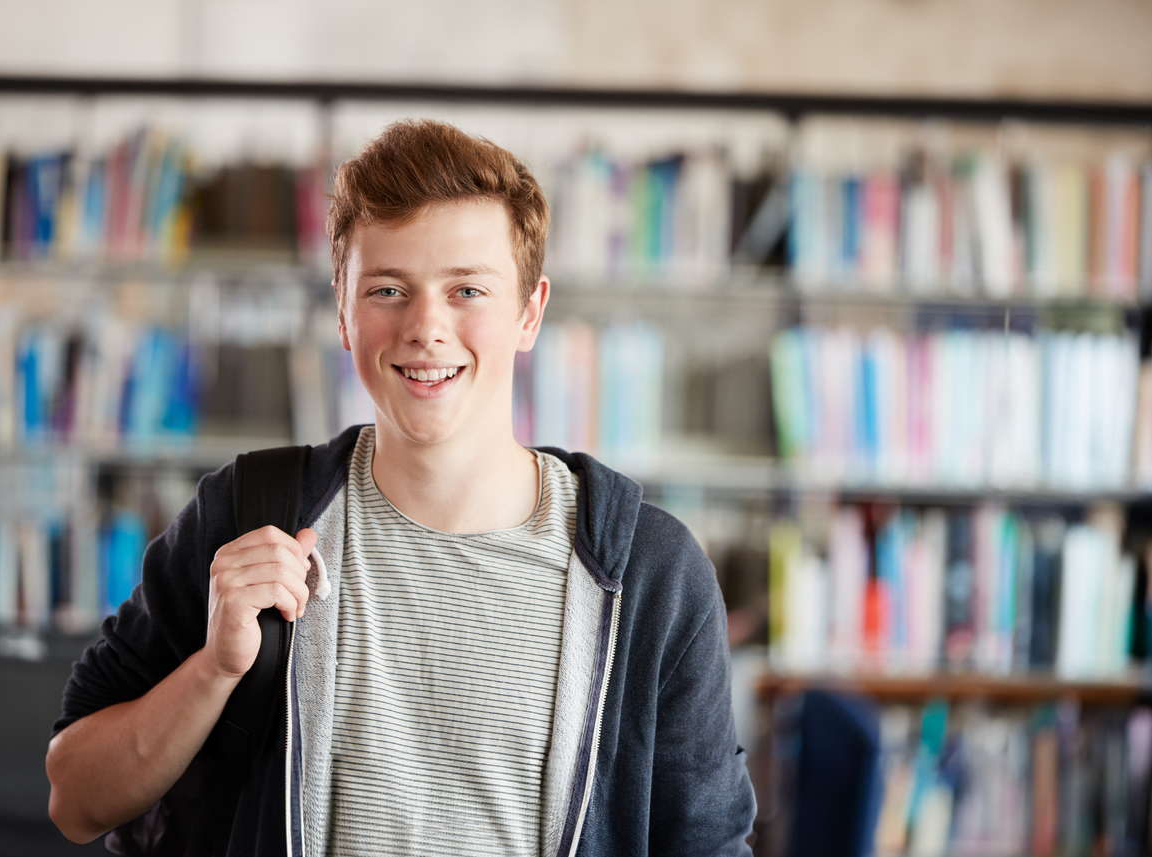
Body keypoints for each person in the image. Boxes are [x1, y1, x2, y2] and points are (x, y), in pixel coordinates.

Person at [46, 118, 757, 856]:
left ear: (530, 311)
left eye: (467, 290)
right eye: (388, 288)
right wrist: (215, 669)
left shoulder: (651, 574)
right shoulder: (246, 514)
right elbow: (75, 798)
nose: (425, 327)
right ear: (344, 312)